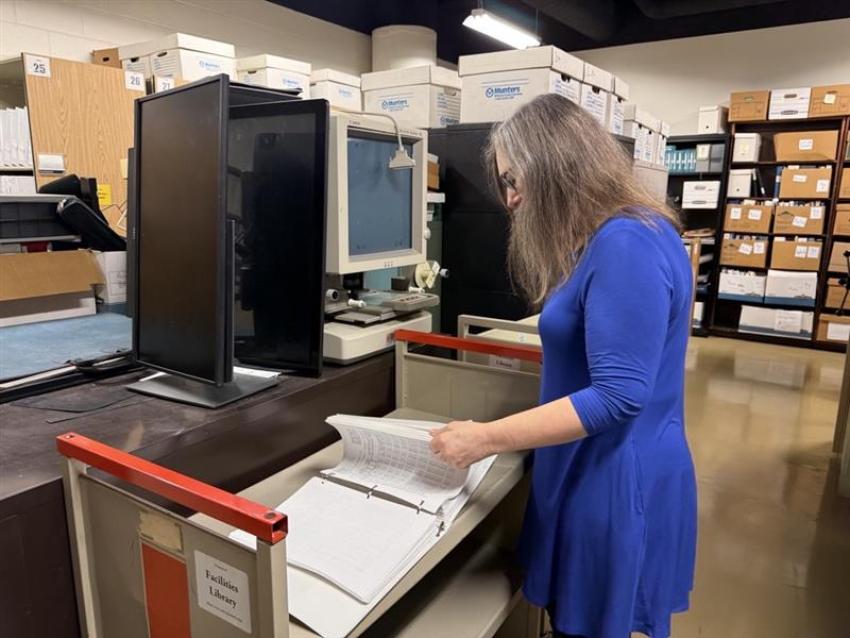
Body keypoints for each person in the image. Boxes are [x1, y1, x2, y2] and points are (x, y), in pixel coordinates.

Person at [429, 94, 697, 638]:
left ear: (557, 164)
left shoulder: (626, 244)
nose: (511, 198)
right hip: (595, 467)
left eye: (514, 178)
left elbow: (619, 395)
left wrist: (485, 438)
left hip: (613, 480)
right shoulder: (623, 233)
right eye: (505, 183)